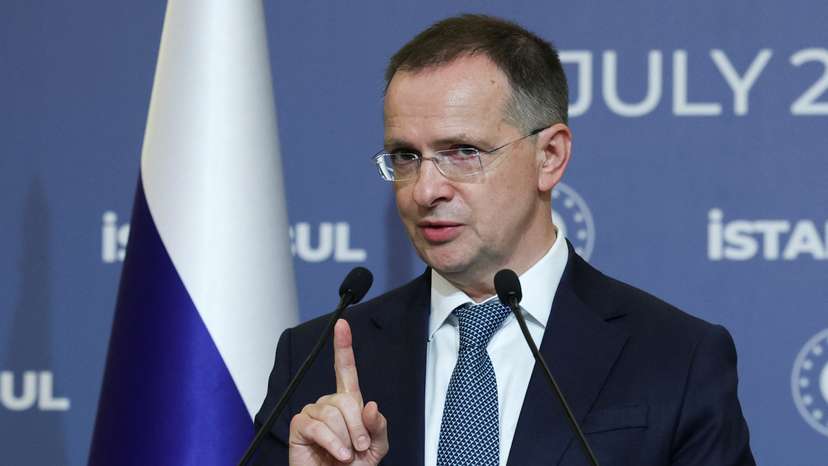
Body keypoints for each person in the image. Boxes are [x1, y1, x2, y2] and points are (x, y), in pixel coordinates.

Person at [254, 14, 755, 466]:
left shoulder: (677, 356)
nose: (425, 190)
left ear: (550, 156)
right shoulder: (317, 359)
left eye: (463, 151)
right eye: (406, 156)